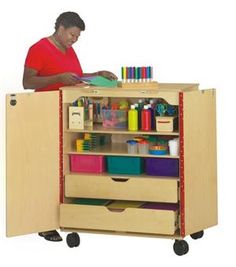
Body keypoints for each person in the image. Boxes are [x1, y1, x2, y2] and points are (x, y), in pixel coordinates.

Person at [23, 11, 117, 241]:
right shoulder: (39, 48)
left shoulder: (69, 49)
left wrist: (97, 74)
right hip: (44, 113)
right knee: (46, 170)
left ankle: (69, 214)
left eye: (77, 37)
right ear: (61, 28)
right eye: (72, 35)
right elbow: (27, 82)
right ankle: (44, 222)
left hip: (69, 114)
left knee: (65, 166)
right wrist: (57, 78)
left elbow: (74, 77)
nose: (74, 40)